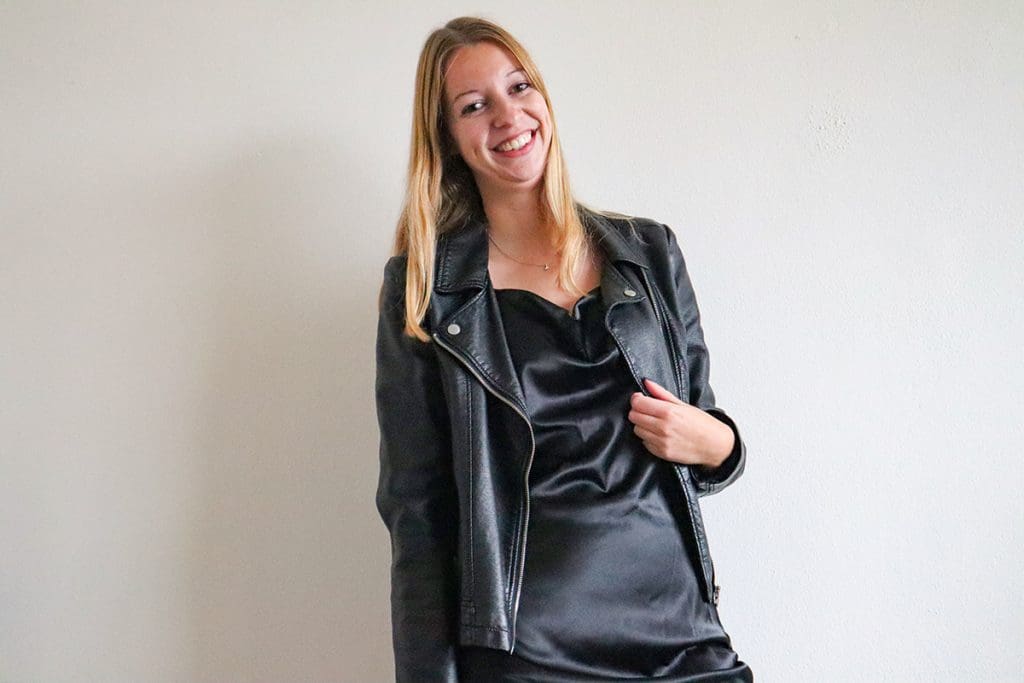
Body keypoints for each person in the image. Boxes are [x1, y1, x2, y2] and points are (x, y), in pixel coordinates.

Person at [374, 16, 753, 683]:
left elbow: (704, 440)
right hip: (529, 653)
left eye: (519, 87)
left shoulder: (649, 253)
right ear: (449, 139)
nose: (507, 115)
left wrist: (720, 443)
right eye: (474, 105)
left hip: (682, 637)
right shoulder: (424, 291)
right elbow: (418, 514)